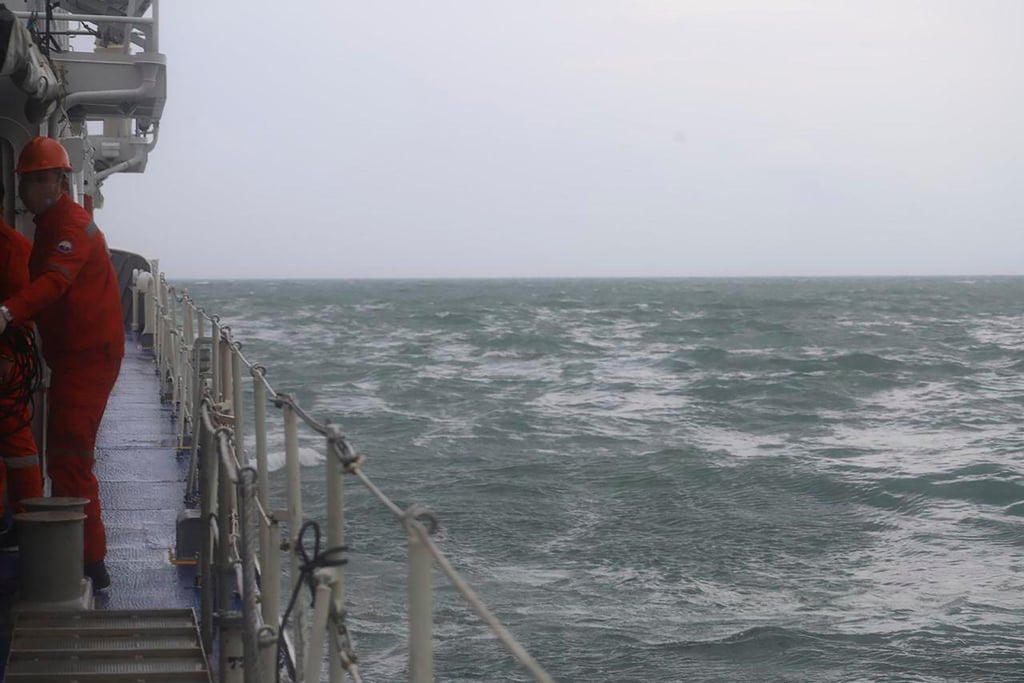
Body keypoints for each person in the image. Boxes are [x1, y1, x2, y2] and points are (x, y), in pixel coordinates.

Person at [0, 136, 125, 590]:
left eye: (39, 180)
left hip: (88, 359)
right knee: (64, 456)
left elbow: (54, 282)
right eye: (27, 182)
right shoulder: (50, 225)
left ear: (59, 181)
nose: (31, 190)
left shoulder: (70, 226)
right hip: (73, 356)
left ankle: (90, 564)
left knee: (71, 458)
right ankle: (77, 554)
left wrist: (8, 312)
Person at [0, 181, 43, 545]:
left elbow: (21, 310)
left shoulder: (13, 249)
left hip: (6, 359)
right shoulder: (17, 246)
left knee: (14, 439)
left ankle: (28, 520)